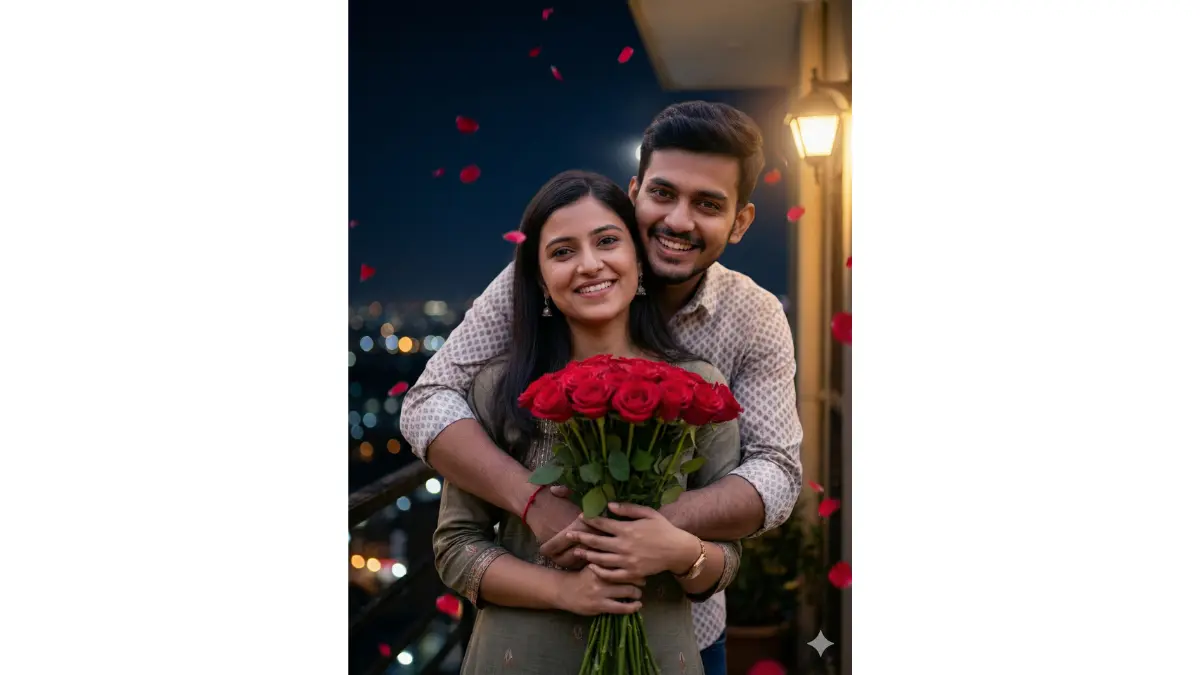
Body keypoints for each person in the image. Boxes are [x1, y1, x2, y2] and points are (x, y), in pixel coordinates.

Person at [402, 101, 804, 675]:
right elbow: (427, 404)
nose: (679, 221)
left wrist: (656, 527)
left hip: (679, 632)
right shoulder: (549, 280)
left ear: (740, 222)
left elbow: (777, 472)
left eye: (708, 204)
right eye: (663, 193)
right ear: (636, 193)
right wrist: (535, 502)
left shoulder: (749, 321)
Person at [433, 170, 742, 673]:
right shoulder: (501, 389)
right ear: (540, 278)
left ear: (638, 258)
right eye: (562, 252)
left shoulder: (697, 388)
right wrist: (564, 590)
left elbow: (727, 557)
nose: (589, 264)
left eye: (607, 241)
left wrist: (681, 551)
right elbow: (455, 547)